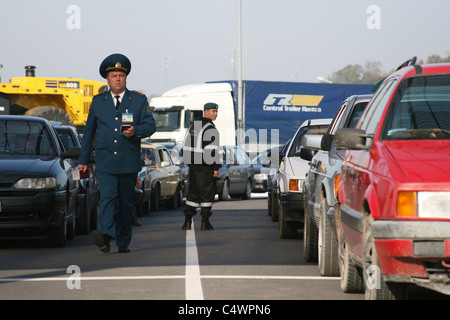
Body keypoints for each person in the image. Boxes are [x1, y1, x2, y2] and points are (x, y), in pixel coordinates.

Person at [78, 53, 156, 253]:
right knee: (107, 197)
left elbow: (150, 125)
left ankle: (122, 241)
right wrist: (83, 160)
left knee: (126, 202)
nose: (118, 79)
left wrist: (136, 131)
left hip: (128, 161)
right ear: (107, 78)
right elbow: (89, 133)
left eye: (121, 75)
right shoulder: (98, 102)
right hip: (105, 160)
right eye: (114, 75)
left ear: (126, 77)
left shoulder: (137, 101)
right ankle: (104, 235)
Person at [182, 102, 221, 230]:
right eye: (213, 111)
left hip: (193, 166)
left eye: (216, 111)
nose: (215, 114)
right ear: (205, 112)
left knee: (193, 193)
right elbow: (212, 151)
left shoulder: (193, 126)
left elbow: (185, 147)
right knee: (207, 194)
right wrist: (215, 168)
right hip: (205, 166)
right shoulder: (211, 128)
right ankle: (205, 222)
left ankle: (187, 221)